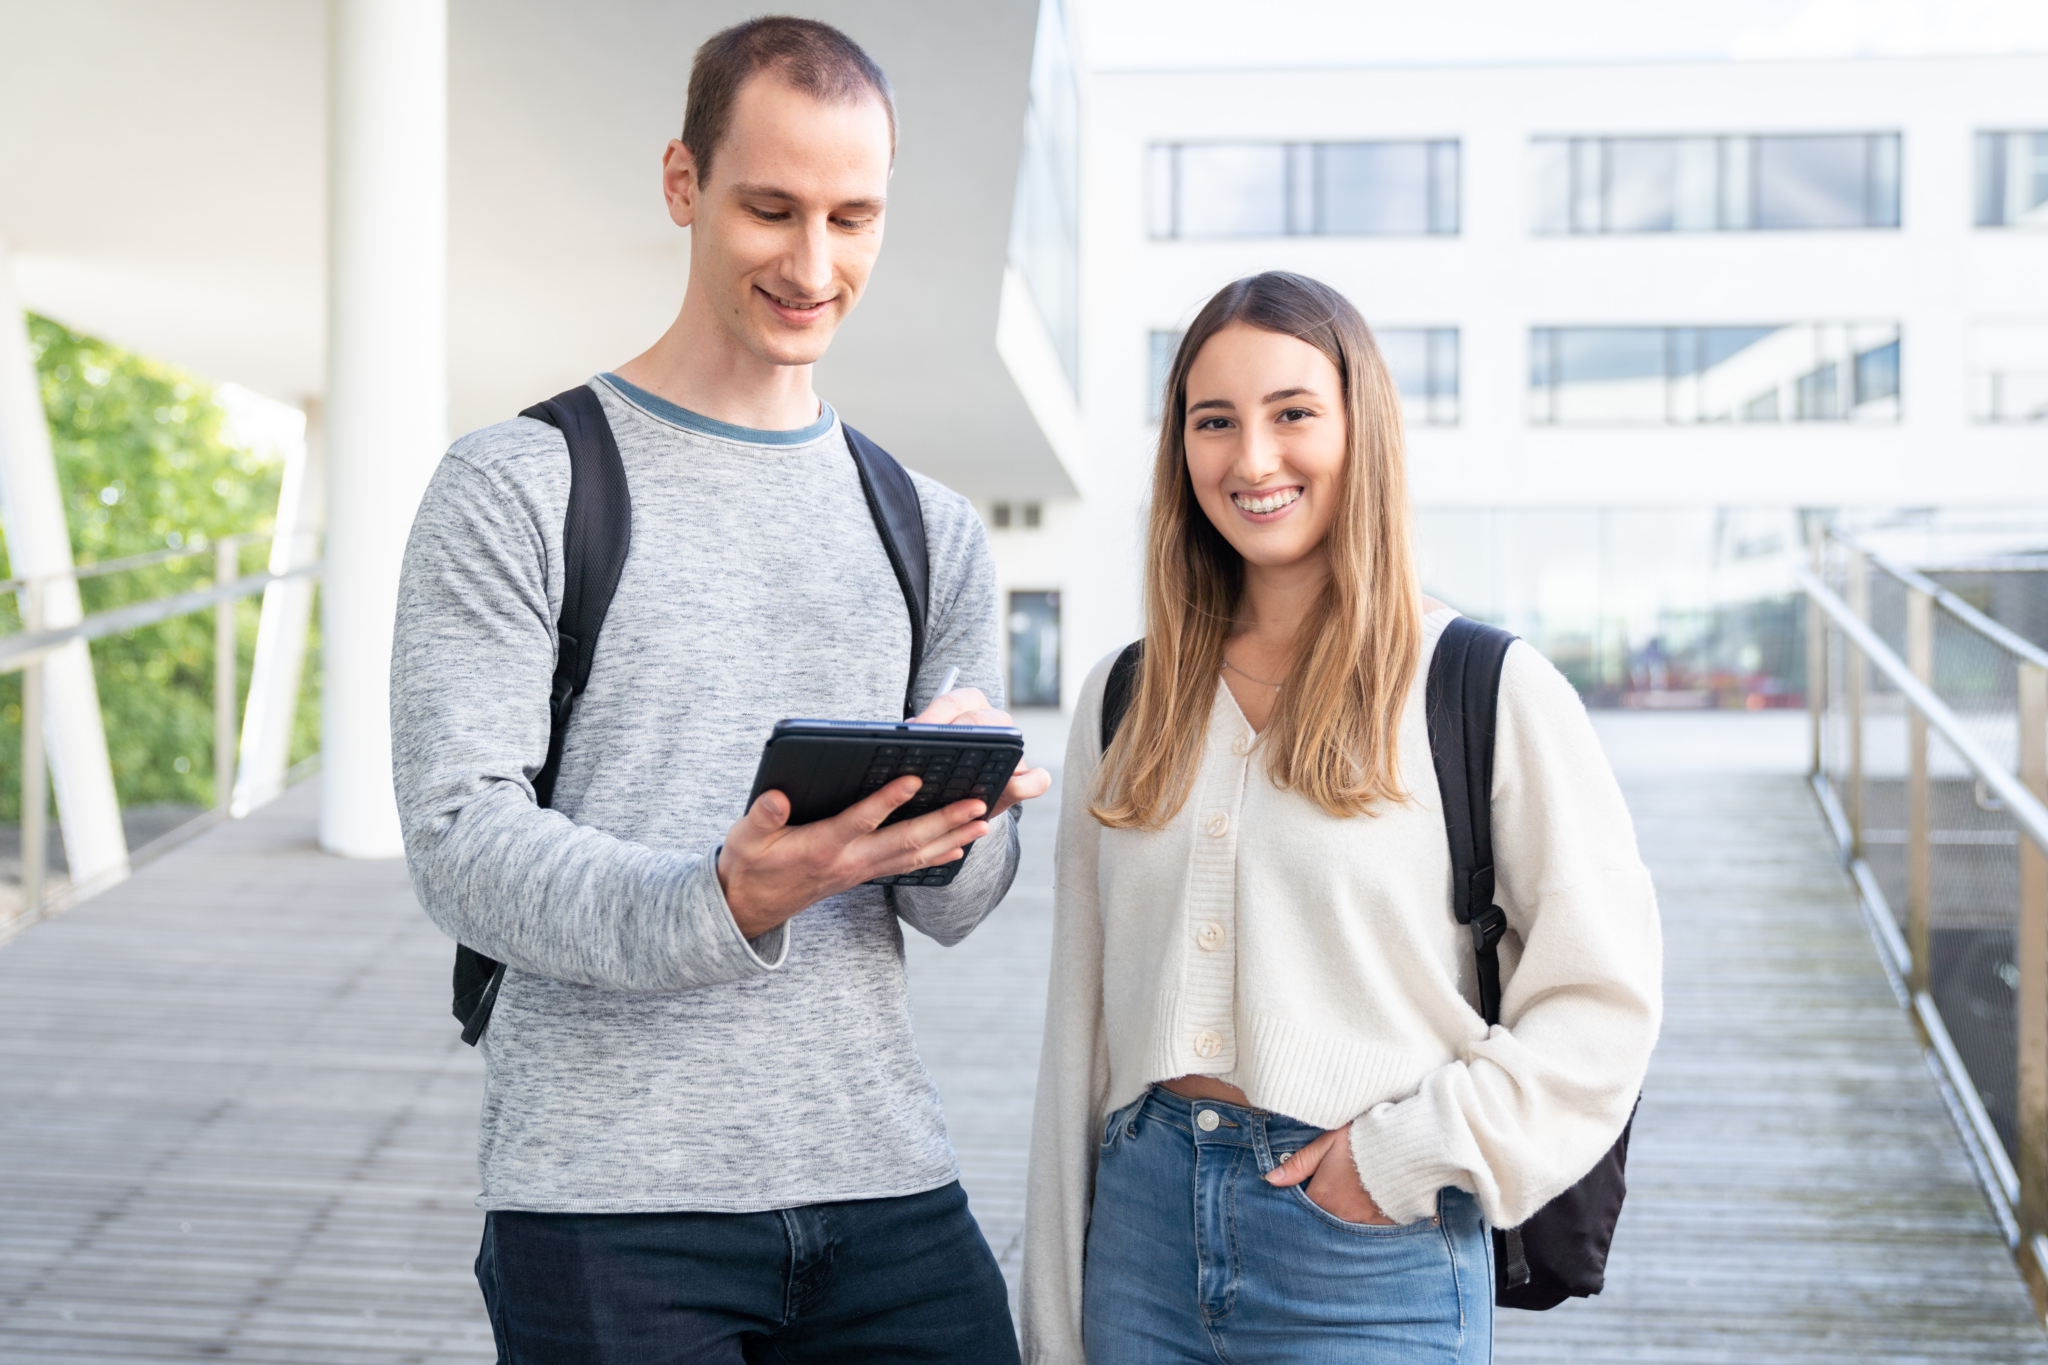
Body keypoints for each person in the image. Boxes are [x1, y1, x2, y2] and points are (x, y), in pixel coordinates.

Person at [391, 17, 1048, 1363]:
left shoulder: (930, 525)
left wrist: (962, 822)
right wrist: (726, 896)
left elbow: (961, 911)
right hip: (605, 1204)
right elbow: (461, 842)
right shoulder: (517, 484)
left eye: (852, 217)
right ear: (683, 184)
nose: (815, 264)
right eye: (771, 208)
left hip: (880, 1177)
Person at [1020, 272, 1661, 1364]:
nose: (1250, 459)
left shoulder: (1483, 688)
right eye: (1212, 422)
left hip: (1366, 1253)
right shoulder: (1124, 696)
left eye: (1291, 414)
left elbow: (1602, 1005)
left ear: (1359, 431)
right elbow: (1076, 1033)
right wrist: (1052, 1318)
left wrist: (1403, 1157)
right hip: (1137, 1246)